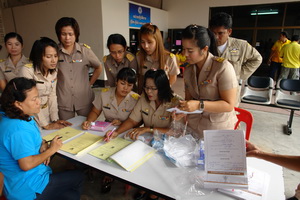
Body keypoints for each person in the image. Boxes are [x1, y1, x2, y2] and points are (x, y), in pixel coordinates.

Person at [0, 77, 83, 200]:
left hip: (29, 179)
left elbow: (34, 139)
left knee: (71, 195)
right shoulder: (18, 129)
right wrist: (51, 150)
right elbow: (26, 165)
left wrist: (42, 143)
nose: (39, 102)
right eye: (34, 99)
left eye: (38, 96)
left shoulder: (22, 116)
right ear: (18, 104)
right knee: (79, 177)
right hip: (26, 188)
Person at [104, 69, 181, 200]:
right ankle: (144, 188)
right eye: (146, 87)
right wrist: (116, 132)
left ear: (162, 87)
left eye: (153, 88)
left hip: (168, 147)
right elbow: (133, 120)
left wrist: (148, 128)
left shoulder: (176, 102)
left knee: (159, 174)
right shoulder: (144, 99)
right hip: (148, 144)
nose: (149, 92)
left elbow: (176, 132)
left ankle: (155, 193)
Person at [82, 67, 139, 194]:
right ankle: (93, 168)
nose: (125, 88)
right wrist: (89, 122)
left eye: (129, 85)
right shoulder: (105, 93)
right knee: (92, 144)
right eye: (122, 83)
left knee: (115, 153)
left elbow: (137, 121)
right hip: (106, 128)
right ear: (117, 81)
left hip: (125, 132)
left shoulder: (136, 99)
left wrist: (123, 123)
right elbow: (95, 111)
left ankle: (108, 177)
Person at [179, 24, 238, 139]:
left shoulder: (222, 67)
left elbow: (229, 105)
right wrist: (182, 110)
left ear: (204, 49)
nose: (185, 54)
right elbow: (189, 99)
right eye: (183, 49)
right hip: (194, 127)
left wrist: (199, 105)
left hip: (217, 130)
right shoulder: (189, 69)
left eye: (190, 51)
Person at [209, 12, 262, 105]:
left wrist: (239, 75)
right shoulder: (206, 45)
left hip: (231, 92)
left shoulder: (241, 45)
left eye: (220, 33)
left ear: (229, 31)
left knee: (229, 116)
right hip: (210, 92)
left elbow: (257, 59)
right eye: (213, 33)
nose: (216, 37)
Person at [18, 37, 72, 130]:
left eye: (55, 56)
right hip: (31, 117)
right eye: (48, 56)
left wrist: (55, 119)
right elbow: (31, 101)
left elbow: (52, 95)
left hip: (45, 113)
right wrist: (45, 124)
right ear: (39, 57)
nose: (53, 60)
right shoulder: (27, 71)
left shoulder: (53, 71)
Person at [55, 17, 102, 120]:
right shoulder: (54, 52)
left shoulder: (85, 51)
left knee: (86, 126)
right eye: (63, 34)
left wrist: (89, 84)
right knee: (66, 129)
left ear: (76, 34)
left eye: (70, 34)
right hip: (63, 100)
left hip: (84, 98)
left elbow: (98, 67)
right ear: (59, 35)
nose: (67, 38)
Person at [136, 23, 180, 93]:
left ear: (157, 41)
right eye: (142, 42)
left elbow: (173, 77)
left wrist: (163, 90)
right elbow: (140, 78)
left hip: (162, 94)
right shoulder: (139, 56)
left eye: (149, 42)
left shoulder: (169, 58)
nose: (146, 46)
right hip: (146, 94)